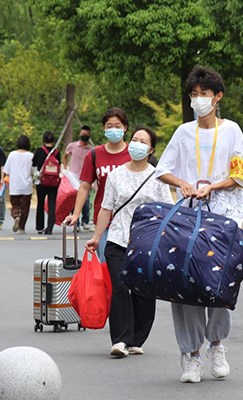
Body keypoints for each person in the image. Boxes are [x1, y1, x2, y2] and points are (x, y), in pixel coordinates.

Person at [156, 66, 243, 383]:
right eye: (193, 94)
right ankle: (191, 355)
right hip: (187, 219)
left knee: (220, 283)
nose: (198, 100)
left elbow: (239, 175)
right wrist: (182, 183)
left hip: (223, 221)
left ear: (217, 97)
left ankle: (217, 345)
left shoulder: (232, 131)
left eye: (204, 94)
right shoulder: (184, 132)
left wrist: (213, 186)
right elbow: (162, 169)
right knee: (185, 285)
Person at [85, 126, 173, 357]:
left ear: (151, 150)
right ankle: (120, 340)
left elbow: (167, 211)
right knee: (120, 287)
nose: (137, 144)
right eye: (134, 139)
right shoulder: (115, 175)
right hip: (118, 239)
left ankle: (136, 339)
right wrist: (96, 237)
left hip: (146, 244)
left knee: (143, 292)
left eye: (143, 141)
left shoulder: (158, 177)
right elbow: (106, 208)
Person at [64, 108, 131, 263]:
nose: (113, 129)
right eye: (109, 126)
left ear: (125, 128)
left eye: (118, 126)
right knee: (107, 266)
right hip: (104, 221)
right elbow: (85, 186)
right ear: (103, 128)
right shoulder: (94, 154)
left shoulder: (133, 154)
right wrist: (76, 214)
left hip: (129, 220)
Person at [62, 126, 93, 230]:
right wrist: (65, 170)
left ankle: (85, 221)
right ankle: (76, 223)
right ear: (80, 134)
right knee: (75, 200)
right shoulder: (72, 146)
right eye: (83, 134)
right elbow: (65, 156)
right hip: (73, 177)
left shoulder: (91, 150)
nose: (85, 136)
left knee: (86, 200)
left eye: (87, 135)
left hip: (85, 177)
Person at [4, 135, 35, 234]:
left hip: (15, 185)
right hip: (26, 186)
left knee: (15, 205)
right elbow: (33, 170)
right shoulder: (31, 156)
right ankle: (21, 228)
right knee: (25, 208)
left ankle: (16, 216)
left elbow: (6, 170)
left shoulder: (12, 155)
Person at [32, 131, 61, 235]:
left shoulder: (39, 150)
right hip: (54, 182)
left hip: (42, 181)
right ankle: (49, 228)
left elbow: (34, 163)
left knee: (40, 203)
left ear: (43, 139)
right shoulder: (57, 152)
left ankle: (40, 227)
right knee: (52, 204)